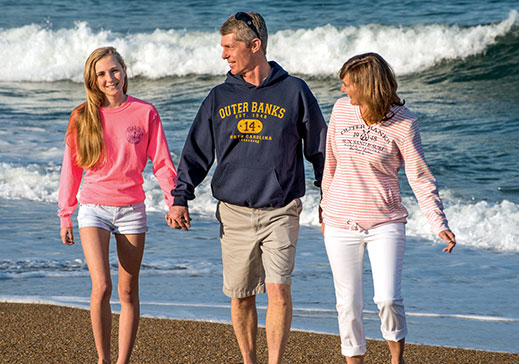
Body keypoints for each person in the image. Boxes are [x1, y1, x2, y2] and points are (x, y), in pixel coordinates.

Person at [165, 11, 327, 364]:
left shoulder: (295, 91)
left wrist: (328, 197)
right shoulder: (219, 96)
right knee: (240, 296)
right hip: (234, 214)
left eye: (229, 46)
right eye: (222, 47)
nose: (223, 54)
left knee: (278, 291)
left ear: (255, 46)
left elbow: (320, 149)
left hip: (281, 209)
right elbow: (196, 152)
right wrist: (181, 197)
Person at [320, 53, 456, 364]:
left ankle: (397, 359)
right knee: (348, 303)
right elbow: (331, 165)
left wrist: (439, 222)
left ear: (367, 86)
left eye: (348, 85)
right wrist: (324, 210)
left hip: (385, 223)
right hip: (340, 221)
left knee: (387, 299)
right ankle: (354, 361)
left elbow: (420, 177)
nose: (343, 91)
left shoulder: (404, 123)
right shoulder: (341, 110)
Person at [58, 46, 177, 364]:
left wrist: (173, 200)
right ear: (93, 81)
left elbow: (162, 163)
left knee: (127, 291)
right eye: (101, 74)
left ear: (125, 72)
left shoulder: (145, 112)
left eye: (114, 70)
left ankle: (123, 361)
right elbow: (71, 168)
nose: (110, 78)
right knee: (102, 286)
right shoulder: (82, 116)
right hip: (93, 207)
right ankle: (103, 360)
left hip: (131, 210)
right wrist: (65, 214)